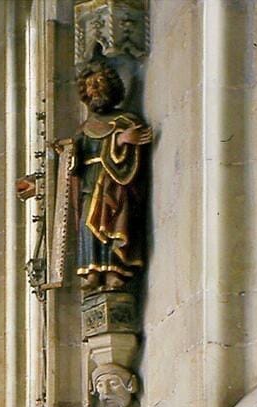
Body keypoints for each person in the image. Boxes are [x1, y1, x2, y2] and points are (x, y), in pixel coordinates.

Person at [72, 49, 153, 292]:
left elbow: (134, 155)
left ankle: (114, 272)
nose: (95, 89)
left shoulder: (125, 121)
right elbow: (74, 161)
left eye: (99, 83)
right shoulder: (84, 129)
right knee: (90, 224)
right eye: (90, 86)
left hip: (116, 182)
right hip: (90, 182)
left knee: (116, 222)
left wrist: (122, 140)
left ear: (111, 87)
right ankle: (93, 271)